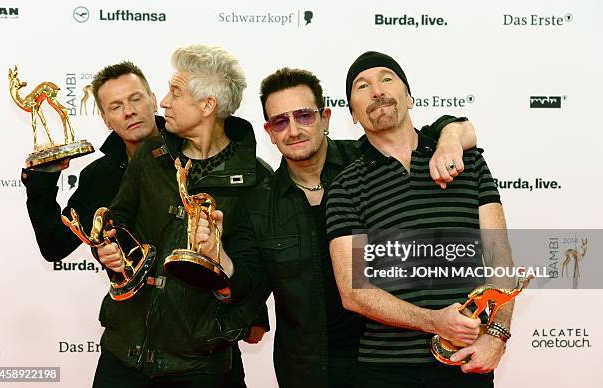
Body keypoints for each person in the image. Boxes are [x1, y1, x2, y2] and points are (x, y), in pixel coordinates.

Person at [195, 67, 479, 388]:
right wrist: (218, 257)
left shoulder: (369, 163)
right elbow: (247, 287)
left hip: (386, 361)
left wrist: (452, 138)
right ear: (270, 132)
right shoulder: (257, 205)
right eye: (280, 121)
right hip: (307, 369)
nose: (293, 130)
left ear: (325, 118)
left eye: (304, 116)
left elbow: (436, 132)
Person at [325, 51, 513, 387]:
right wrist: (434, 322)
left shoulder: (468, 162)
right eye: (362, 86)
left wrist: (496, 336)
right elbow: (354, 291)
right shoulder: (345, 187)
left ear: (409, 97)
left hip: (465, 362)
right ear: (352, 114)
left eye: (386, 79)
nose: (377, 90)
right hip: (384, 371)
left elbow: (501, 261)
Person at [94, 44, 272, 388]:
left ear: (207, 106)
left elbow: (255, 279)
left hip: (201, 366)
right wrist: (110, 251)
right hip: (124, 354)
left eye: (175, 93)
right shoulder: (151, 152)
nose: (163, 103)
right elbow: (118, 222)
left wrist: (222, 266)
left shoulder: (257, 180)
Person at [22, 61, 160, 261]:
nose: (129, 111)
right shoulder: (99, 176)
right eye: (116, 106)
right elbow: (55, 245)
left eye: (136, 99)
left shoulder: (194, 151)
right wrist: (43, 179)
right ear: (106, 120)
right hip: (133, 291)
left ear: (154, 101)